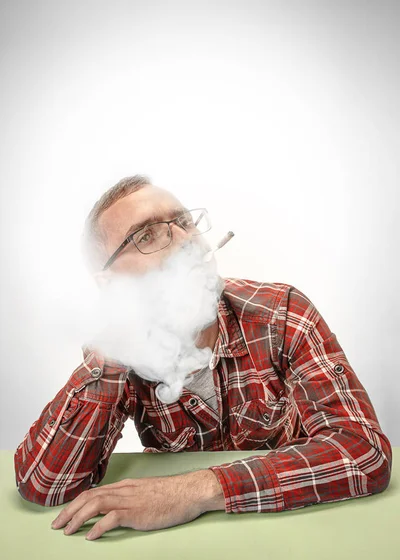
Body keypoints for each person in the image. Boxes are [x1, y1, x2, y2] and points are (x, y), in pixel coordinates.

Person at [14, 175, 392, 541]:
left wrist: (191, 492)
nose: (186, 240)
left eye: (182, 222)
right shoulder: (119, 351)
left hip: (298, 533)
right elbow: (45, 484)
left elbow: (363, 452)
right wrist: (114, 345)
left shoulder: (282, 313)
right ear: (110, 281)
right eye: (146, 235)